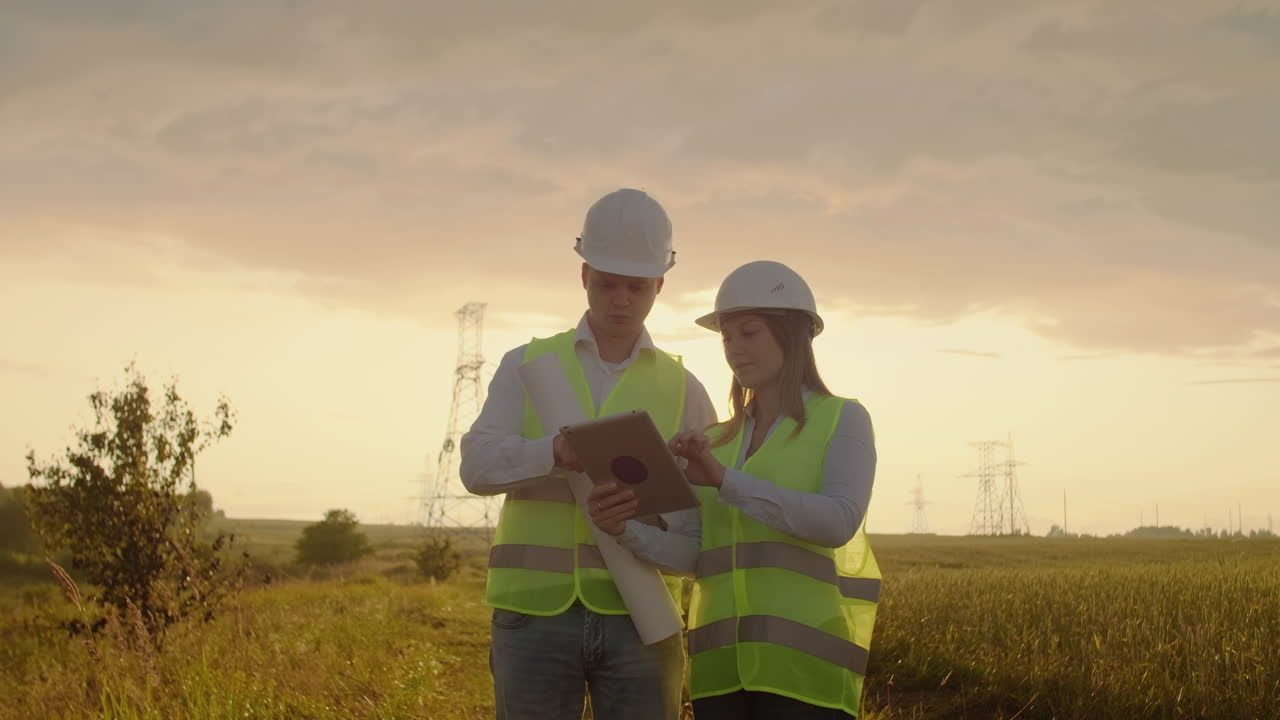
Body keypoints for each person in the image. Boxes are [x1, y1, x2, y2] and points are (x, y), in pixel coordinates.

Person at [459, 188, 718, 720]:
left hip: (643, 616)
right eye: (607, 283)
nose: (620, 298)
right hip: (532, 616)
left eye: (636, 286)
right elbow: (476, 466)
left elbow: (702, 521)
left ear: (659, 286)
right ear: (584, 277)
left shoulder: (683, 387)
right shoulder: (526, 365)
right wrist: (552, 451)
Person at [588, 260, 881, 718]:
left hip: (805, 677)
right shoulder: (716, 442)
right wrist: (624, 528)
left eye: (749, 333)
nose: (734, 349)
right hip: (719, 676)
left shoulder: (843, 420)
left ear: (793, 335)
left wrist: (727, 481)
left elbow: (838, 521)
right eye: (727, 337)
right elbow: (693, 555)